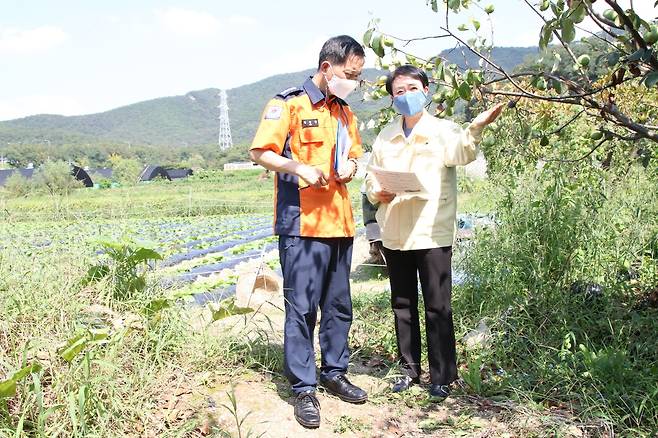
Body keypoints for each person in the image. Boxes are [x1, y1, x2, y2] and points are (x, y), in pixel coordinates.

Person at [249, 35, 367, 429]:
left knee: (338, 306)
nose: (353, 81)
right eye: (350, 74)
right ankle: (304, 388)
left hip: (340, 222)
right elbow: (259, 152)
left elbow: (352, 154)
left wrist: (351, 167)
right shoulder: (288, 103)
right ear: (327, 67)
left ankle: (334, 372)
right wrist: (297, 167)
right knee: (301, 309)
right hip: (302, 225)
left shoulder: (345, 112)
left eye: (357, 76)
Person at [365, 65, 503, 399]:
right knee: (402, 304)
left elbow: (462, 152)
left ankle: (442, 376)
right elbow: (372, 177)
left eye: (412, 88)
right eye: (399, 91)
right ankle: (408, 370)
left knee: (438, 306)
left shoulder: (445, 130)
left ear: (426, 90)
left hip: (431, 231)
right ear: (392, 98)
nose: (406, 96)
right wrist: (377, 192)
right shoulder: (385, 135)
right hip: (395, 230)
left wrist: (477, 127)